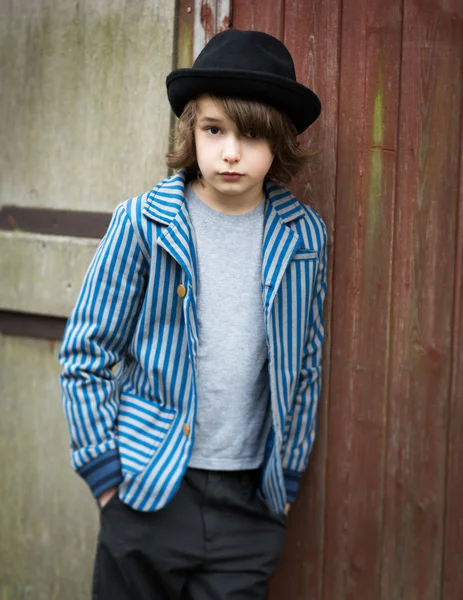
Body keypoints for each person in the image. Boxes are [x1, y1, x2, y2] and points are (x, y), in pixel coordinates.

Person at [59, 28, 327, 600]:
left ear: (279, 142)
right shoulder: (142, 224)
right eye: (215, 130)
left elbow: (305, 363)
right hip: (148, 490)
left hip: (249, 506)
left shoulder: (304, 237)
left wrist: (287, 479)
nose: (231, 151)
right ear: (191, 131)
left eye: (252, 134)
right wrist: (106, 476)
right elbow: (86, 352)